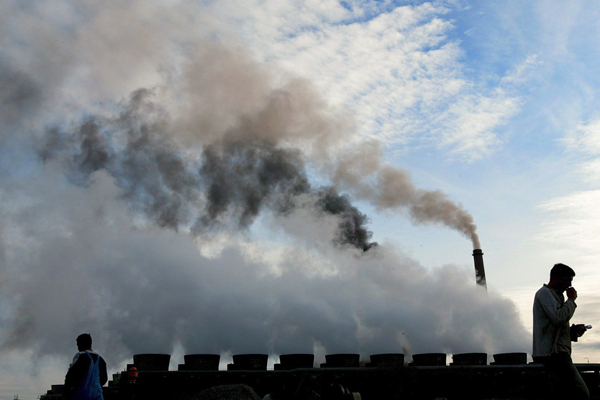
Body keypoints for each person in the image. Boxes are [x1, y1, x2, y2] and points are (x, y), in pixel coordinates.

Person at [533, 263, 589, 400]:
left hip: (556, 353)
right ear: (557, 278)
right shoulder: (544, 293)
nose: (569, 285)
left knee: (562, 394)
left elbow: (554, 327)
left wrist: (572, 332)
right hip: (553, 355)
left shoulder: (555, 296)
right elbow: (558, 318)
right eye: (568, 280)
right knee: (581, 393)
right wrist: (571, 300)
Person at [64, 333, 108, 400]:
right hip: (97, 396)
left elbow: (70, 376)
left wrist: (67, 393)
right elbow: (104, 378)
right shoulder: (101, 360)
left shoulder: (80, 356)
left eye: (78, 345)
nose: (78, 348)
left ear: (81, 344)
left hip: (80, 396)